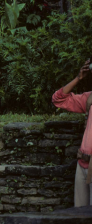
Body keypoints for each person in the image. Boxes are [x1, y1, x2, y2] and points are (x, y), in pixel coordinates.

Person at [52, 59, 92, 206]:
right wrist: (78, 78)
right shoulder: (89, 98)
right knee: (80, 216)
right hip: (83, 164)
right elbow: (58, 100)